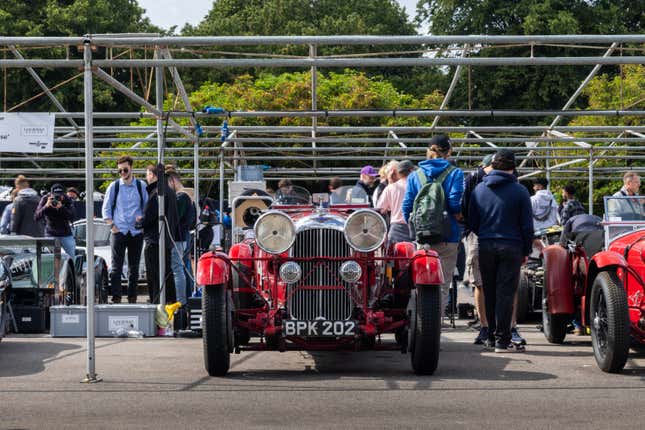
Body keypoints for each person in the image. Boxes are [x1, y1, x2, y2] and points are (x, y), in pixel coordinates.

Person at [469, 149, 533, 353]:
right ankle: (502, 340)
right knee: (506, 292)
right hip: (512, 246)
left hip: (486, 245)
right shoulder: (521, 191)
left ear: (494, 165)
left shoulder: (479, 189)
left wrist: (486, 233)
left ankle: (489, 335)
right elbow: (527, 226)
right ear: (513, 167)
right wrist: (526, 248)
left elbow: (472, 221)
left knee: (488, 290)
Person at [402, 135, 464, 318]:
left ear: (428, 151)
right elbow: (454, 203)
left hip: (423, 237)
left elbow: (407, 206)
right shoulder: (455, 173)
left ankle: (422, 324)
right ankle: (436, 326)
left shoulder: (415, 175)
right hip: (448, 235)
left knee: (421, 282)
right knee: (443, 285)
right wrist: (459, 215)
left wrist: (416, 228)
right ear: (449, 151)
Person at [101, 155, 148, 304]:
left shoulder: (141, 186)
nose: (122, 173)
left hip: (136, 232)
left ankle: (132, 297)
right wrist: (112, 226)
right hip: (119, 231)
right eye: (120, 171)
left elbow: (147, 207)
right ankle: (116, 297)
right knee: (116, 267)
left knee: (134, 268)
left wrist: (143, 223)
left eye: (125, 170)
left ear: (131, 168)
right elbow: (106, 209)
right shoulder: (113, 186)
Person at [462, 154, 493, 344]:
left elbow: (464, 209)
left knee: (480, 282)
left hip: (478, 234)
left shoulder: (472, 179)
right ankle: (486, 326)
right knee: (480, 282)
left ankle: (488, 326)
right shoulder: (474, 178)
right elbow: (466, 208)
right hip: (482, 234)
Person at [140, 164, 182, 305]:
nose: (146, 177)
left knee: (154, 277)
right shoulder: (170, 192)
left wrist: (139, 222)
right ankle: (171, 304)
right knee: (166, 274)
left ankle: (156, 306)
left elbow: (149, 217)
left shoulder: (157, 193)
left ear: (152, 175)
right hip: (166, 241)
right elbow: (175, 218)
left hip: (154, 240)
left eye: (147, 174)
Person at [166, 165, 196, 299]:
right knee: (183, 269)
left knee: (178, 270)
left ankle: (181, 301)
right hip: (183, 237)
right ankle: (186, 298)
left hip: (178, 238)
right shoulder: (186, 196)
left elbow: (175, 218)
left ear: (172, 180)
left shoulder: (181, 197)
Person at [376, 160, 414, 244]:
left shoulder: (390, 188)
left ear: (398, 173)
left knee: (393, 256)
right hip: (415, 228)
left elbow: (380, 209)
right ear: (411, 171)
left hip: (396, 229)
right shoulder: (418, 187)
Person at [34, 184, 76, 257]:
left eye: (60, 196)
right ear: (51, 195)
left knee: (71, 256)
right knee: (52, 258)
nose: (58, 198)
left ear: (64, 194)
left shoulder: (67, 200)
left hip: (66, 233)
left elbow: (72, 216)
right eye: (56, 196)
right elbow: (36, 217)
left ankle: (70, 268)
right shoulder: (45, 199)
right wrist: (46, 206)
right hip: (51, 233)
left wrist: (62, 207)